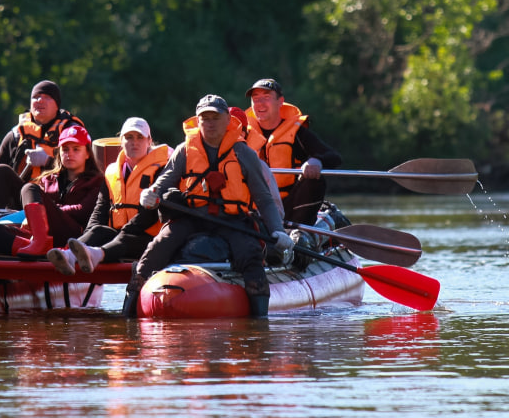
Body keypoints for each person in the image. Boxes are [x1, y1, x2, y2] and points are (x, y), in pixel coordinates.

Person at [121, 95, 294, 318]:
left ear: (227, 119)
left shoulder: (244, 154)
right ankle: (128, 315)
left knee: (250, 255)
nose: (210, 123)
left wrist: (277, 230)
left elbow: (264, 199)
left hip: (232, 220)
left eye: (215, 117)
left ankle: (259, 321)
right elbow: (164, 181)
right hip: (193, 216)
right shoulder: (185, 150)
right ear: (198, 121)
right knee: (155, 250)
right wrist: (151, 192)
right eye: (205, 118)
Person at [46, 117, 172, 275]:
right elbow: (100, 209)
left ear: (149, 141)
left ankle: (93, 255)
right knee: (98, 230)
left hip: (149, 239)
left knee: (125, 239)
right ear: (121, 141)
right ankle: (68, 256)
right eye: (129, 137)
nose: (134, 142)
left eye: (140, 137)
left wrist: (123, 233)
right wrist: (88, 235)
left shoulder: (162, 170)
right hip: (118, 235)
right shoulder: (112, 172)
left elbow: (150, 215)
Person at [0, 124, 106, 256]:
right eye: (65, 149)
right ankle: (26, 244)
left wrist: (47, 209)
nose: (69, 154)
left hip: (72, 234)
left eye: (76, 149)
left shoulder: (98, 181)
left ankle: (40, 243)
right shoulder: (48, 179)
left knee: (29, 188)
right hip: (41, 230)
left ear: (87, 153)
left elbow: (82, 211)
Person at [243, 78, 343, 226]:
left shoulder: (297, 133)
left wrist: (316, 160)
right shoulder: (242, 133)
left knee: (314, 180)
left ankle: (301, 231)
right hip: (256, 208)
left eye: (266, 98)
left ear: (280, 101)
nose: (260, 104)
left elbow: (334, 157)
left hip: (290, 208)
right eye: (255, 99)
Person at [0, 80, 86, 210]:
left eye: (47, 97)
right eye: (36, 97)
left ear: (57, 105)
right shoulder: (16, 134)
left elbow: (84, 170)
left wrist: (48, 161)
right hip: (22, 198)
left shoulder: (71, 132)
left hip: (58, 197)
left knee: (31, 188)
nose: (40, 100)